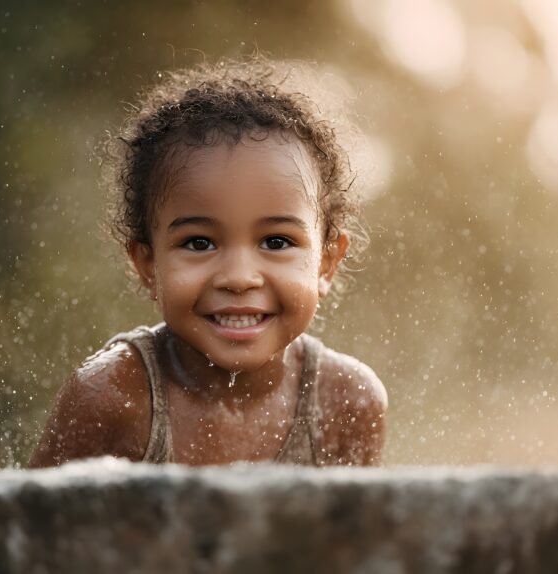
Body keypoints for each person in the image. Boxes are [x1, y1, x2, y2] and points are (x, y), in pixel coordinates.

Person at [29, 57, 387, 467]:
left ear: (326, 263)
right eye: (199, 243)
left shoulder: (345, 404)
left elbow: (355, 533)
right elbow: (21, 528)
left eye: (275, 240)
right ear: (148, 266)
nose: (238, 278)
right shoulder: (112, 399)